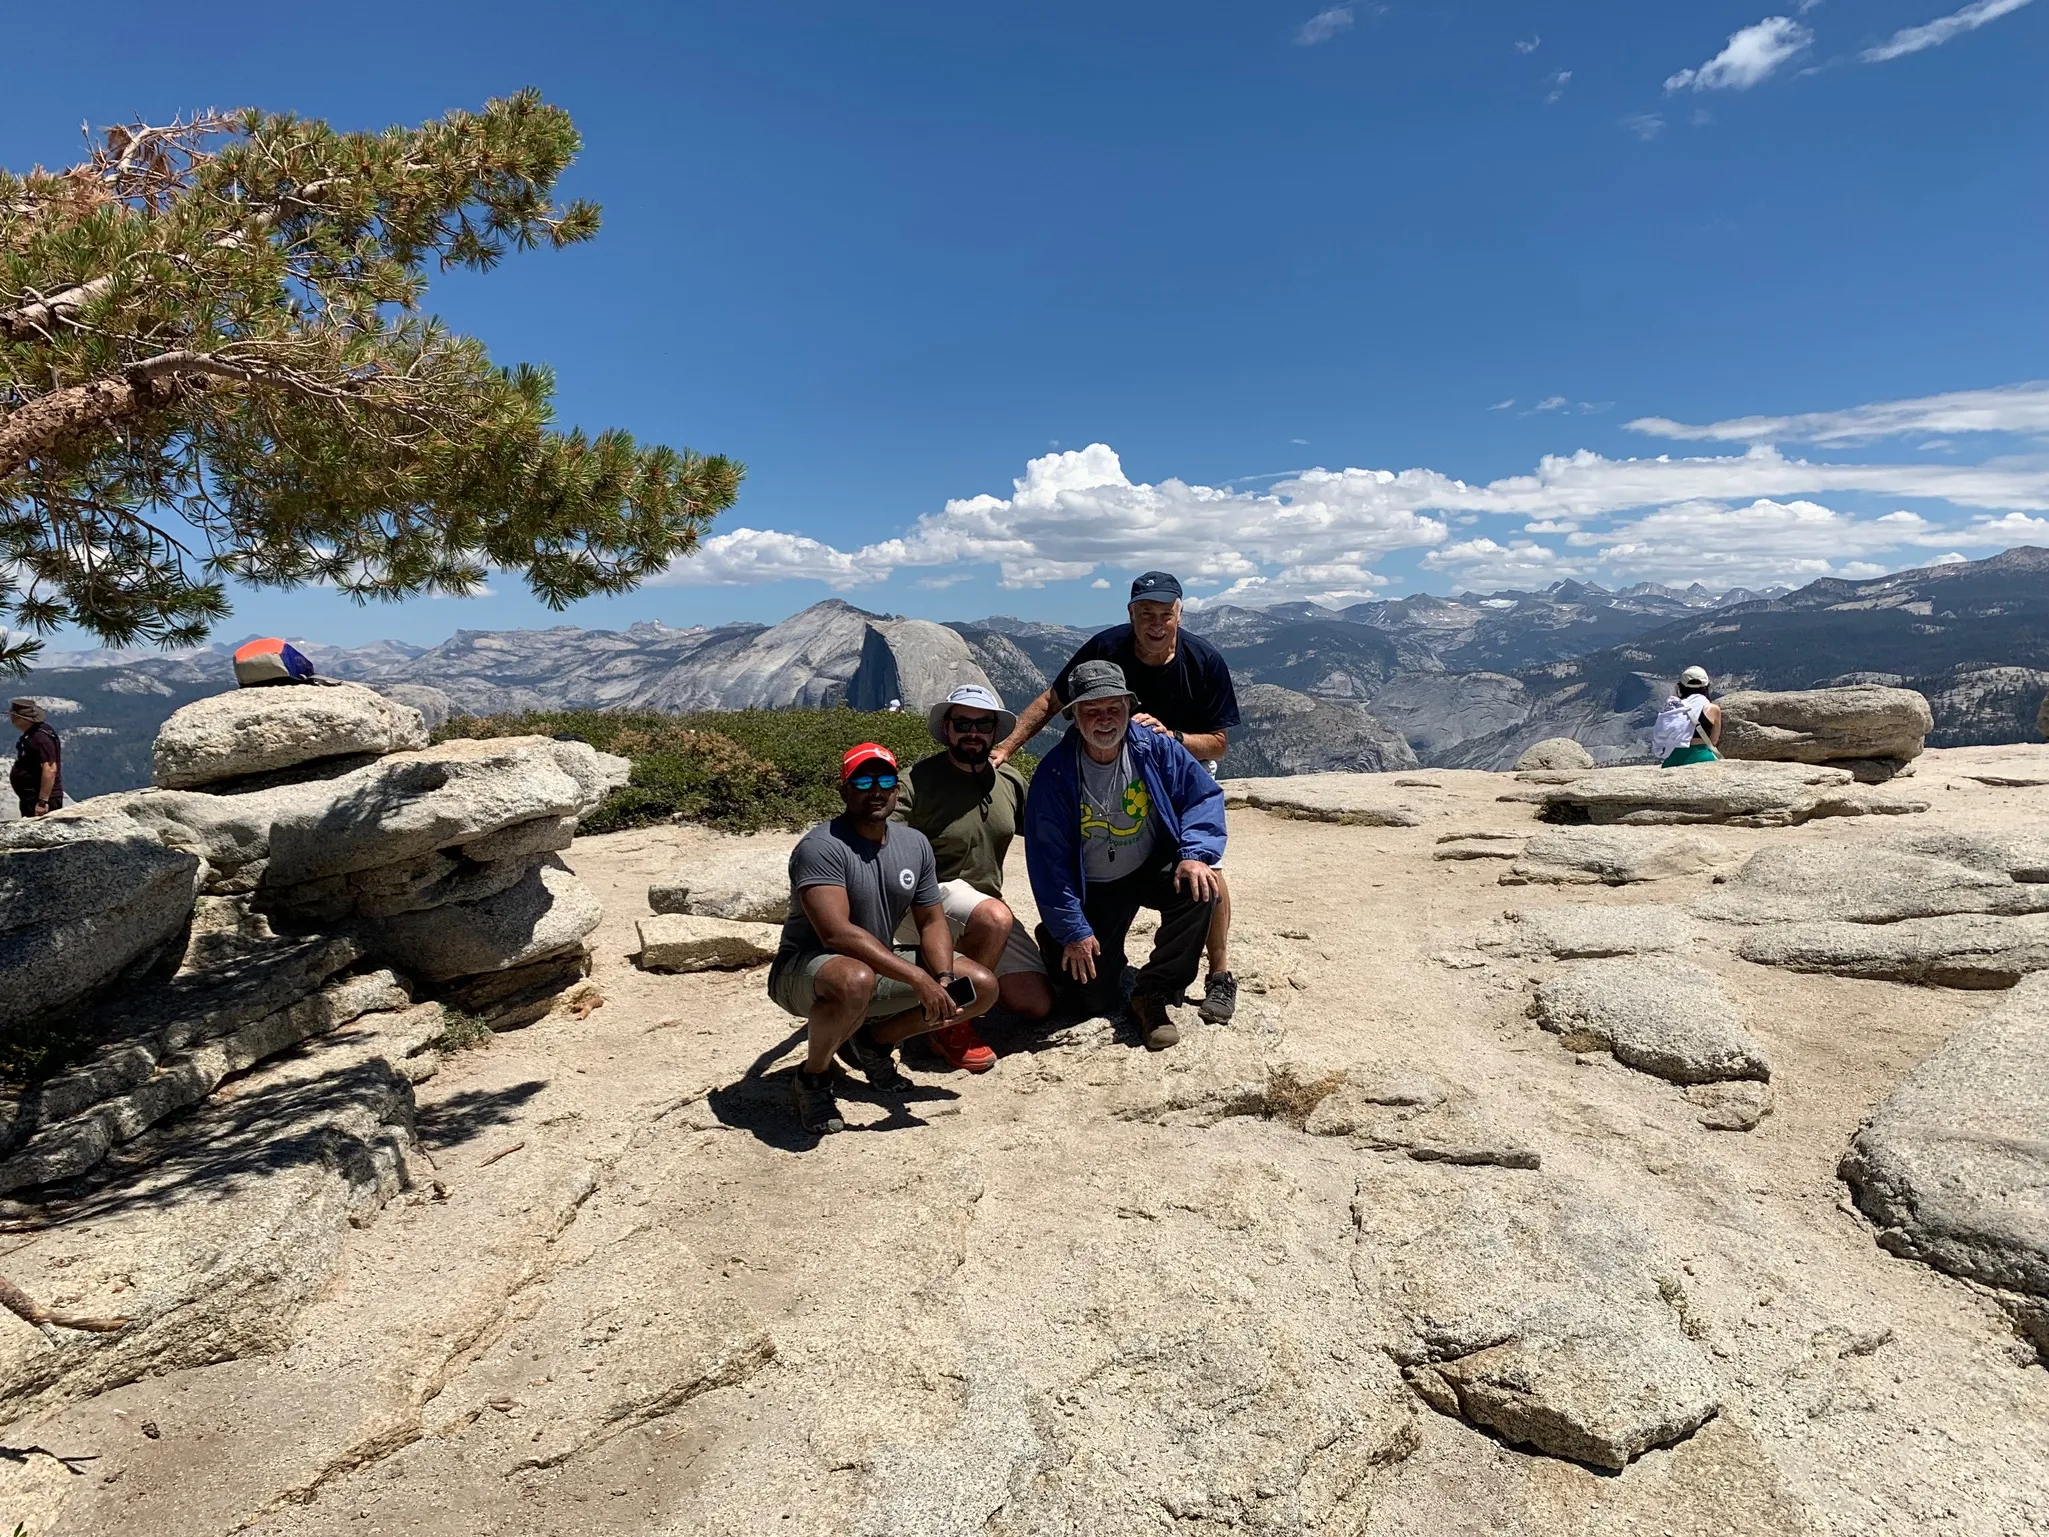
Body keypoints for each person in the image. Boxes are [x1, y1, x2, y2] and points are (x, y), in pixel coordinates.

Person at [991, 571, 1244, 1024]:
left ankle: (1211, 975)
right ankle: (1062, 942)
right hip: (1106, 853)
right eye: (1146, 613)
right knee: (1091, 1000)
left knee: (1204, 876)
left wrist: (1174, 740)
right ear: (1131, 614)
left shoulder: (1203, 661)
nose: (1155, 623)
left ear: (1179, 613)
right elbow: (1051, 699)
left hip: (1173, 755)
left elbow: (1217, 752)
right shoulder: (1103, 653)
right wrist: (1005, 749)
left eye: (1164, 614)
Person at [768, 742, 999, 1136]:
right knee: (854, 979)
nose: (875, 790)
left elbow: (931, 921)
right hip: (805, 971)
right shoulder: (821, 848)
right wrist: (918, 979)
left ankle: (873, 1042)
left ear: (897, 790)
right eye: (862, 781)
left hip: (873, 965)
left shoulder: (914, 844)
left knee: (979, 987)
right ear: (844, 790)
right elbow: (836, 933)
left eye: (885, 781)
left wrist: (943, 978)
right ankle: (813, 1078)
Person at [1024, 660, 1226, 1051]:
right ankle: (1056, 941)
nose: (1105, 719)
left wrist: (1195, 853)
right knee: (1093, 1002)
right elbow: (1049, 865)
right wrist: (1072, 930)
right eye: (1092, 711)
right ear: (1074, 717)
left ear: (1129, 709)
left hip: (1147, 866)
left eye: (1113, 708)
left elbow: (1201, 796)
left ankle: (1152, 992)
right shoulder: (1054, 776)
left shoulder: (1154, 747)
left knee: (1200, 889)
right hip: (1095, 887)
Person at [893, 684, 1053, 1072]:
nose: (973, 732)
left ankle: (952, 964)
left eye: (983, 724)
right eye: (963, 723)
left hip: (980, 906)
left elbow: (1047, 833)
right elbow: (880, 841)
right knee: (995, 917)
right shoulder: (916, 781)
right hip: (924, 906)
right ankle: (950, 1020)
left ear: (995, 731)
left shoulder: (1008, 781)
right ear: (946, 728)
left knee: (1037, 1004)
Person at [1652, 665, 1723, 767]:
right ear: (1706, 687)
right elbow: (1713, 741)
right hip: (1703, 757)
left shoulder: (1673, 708)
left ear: (1681, 687)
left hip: (1673, 760)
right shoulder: (1713, 709)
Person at [9, 699, 62, 819]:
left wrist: (42, 802)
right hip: (30, 797)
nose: (12, 719)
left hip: (39, 798)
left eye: (14, 716)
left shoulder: (39, 737)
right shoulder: (33, 734)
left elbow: (50, 769)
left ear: (23, 718)